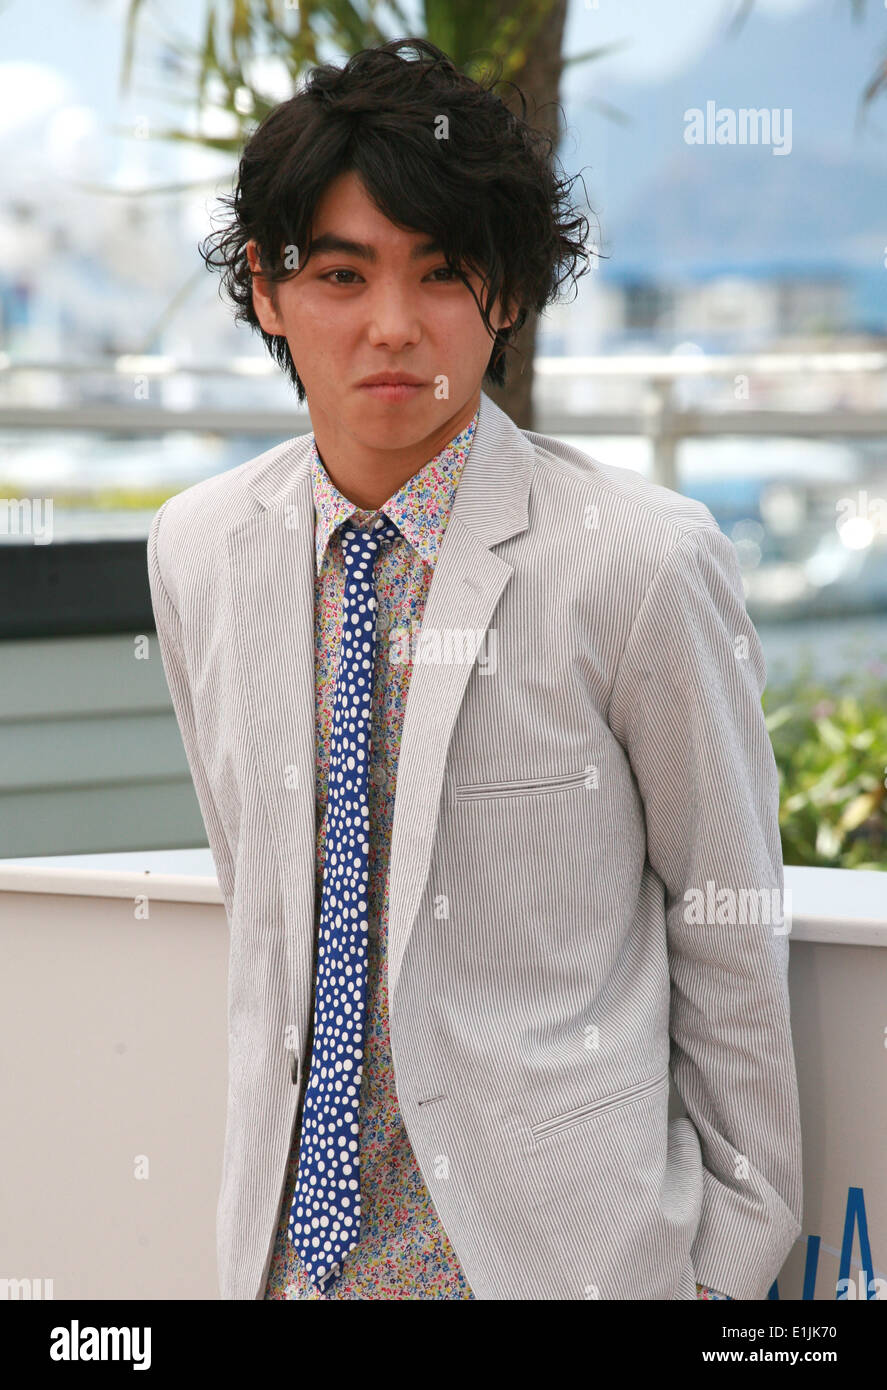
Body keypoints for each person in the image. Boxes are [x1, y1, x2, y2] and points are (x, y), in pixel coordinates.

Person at [147, 37, 802, 1300]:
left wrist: (721, 1272)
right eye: (340, 274)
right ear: (267, 294)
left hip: (561, 1267)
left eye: (440, 272)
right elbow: (263, 894)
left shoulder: (638, 564)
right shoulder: (197, 549)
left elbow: (728, 927)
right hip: (285, 1264)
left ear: (504, 294)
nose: (392, 326)